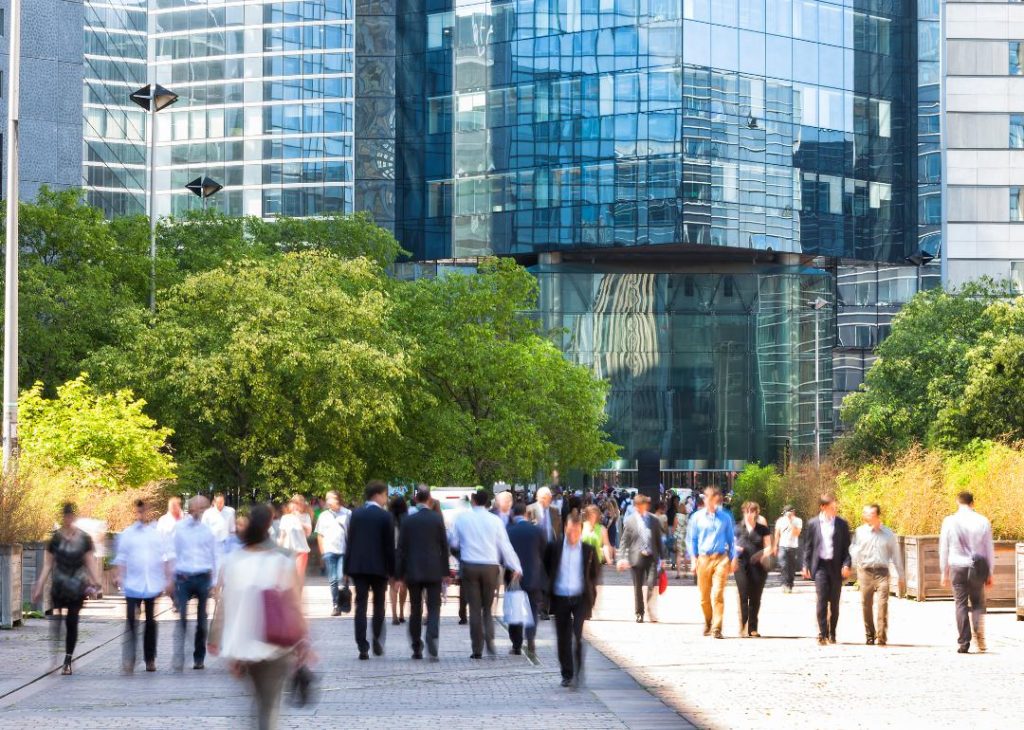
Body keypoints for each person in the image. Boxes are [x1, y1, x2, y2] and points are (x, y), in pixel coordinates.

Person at [209, 504, 310, 730]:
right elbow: (294, 604)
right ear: (270, 526)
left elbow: (224, 604)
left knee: (258, 701)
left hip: (243, 646)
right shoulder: (282, 560)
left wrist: (217, 640)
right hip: (276, 645)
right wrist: (304, 641)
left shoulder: (233, 560)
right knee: (269, 706)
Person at [449, 489, 523, 659]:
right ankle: (490, 642)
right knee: (487, 609)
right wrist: (516, 566)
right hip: (490, 567)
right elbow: (505, 546)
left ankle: (477, 649)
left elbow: (454, 542)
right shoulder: (495, 521)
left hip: (470, 566)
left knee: (474, 609)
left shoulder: (462, 519)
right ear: (487, 502)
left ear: (473, 500)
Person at [31, 503, 101, 676]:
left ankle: (67, 660)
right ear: (63, 517)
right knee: (56, 622)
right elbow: (48, 564)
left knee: (72, 622)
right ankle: (54, 657)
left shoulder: (84, 538)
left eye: (71, 516)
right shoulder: (55, 539)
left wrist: (96, 582)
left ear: (74, 517)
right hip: (59, 586)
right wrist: (39, 585)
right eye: (66, 515)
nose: (68, 518)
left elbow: (89, 561)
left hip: (77, 587)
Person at [114, 499, 172, 672]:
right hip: (132, 583)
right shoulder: (128, 534)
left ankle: (150, 658)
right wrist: (119, 575)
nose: (141, 515)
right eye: (138, 512)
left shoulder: (154, 534)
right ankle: (130, 658)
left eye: (143, 512)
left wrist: (168, 579)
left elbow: (164, 557)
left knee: (150, 622)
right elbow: (122, 557)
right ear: (135, 512)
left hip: (151, 583)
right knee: (131, 622)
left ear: (147, 512)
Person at [545, 511, 600, 688]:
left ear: (581, 531)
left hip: (580, 598)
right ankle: (567, 674)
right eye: (570, 531)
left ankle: (578, 670)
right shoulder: (554, 547)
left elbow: (594, 574)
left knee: (577, 635)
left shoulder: (588, 550)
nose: (573, 535)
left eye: (576, 531)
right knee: (563, 638)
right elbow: (546, 568)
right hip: (560, 597)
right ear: (565, 529)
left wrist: (592, 595)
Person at [396, 487, 449, 660]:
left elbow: (401, 549)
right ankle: (432, 634)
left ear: (416, 499)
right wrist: (445, 572)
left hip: (413, 571)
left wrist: (399, 575)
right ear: (429, 499)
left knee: (415, 609)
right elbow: (444, 546)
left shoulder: (408, 521)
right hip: (434, 570)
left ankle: (416, 647)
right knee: (434, 607)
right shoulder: (436, 519)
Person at [939, 491, 995, 654]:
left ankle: (964, 642)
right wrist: (990, 571)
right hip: (977, 567)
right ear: (973, 503)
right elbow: (988, 549)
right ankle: (979, 634)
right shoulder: (982, 521)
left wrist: (944, 571)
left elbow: (944, 547)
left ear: (958, 502)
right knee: (977, 602)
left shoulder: (949, 521)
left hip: (957, 566)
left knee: (960, 603)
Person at [345, 480, 395, 660]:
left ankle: (362, 646)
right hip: (379, 568)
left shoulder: (355, 514)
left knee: (361, 607)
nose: (386, 499)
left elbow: (349, 542)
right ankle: (376, 640)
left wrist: (346, 567)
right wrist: (393, 570)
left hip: (358, 567)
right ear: (378, 494)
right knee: (379, 606)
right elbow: (389, 547)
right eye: (385, 495)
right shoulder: (385, 517)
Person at [170, 495, 219, 670]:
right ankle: (179, 654)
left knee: (202, 619)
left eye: (204, 508)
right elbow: (172, 553)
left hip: (203, 577)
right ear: (191, 509)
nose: (201, 511)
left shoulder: (207, 530)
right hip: (184, 577)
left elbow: (215, 556)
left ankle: (199, 657)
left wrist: (214, 582)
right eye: (199, 508)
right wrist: (172, 577)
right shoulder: (180, 529)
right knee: (182, 616)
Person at [851, 503, 905, 646]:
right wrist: (849, 567)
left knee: (882, 604)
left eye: (868, 513)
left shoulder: (888, 533)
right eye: (865, 513)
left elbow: (896, 554)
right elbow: (854, 550)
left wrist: (901, 575)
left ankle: (881, 636)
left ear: (876, 515)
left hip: (882, 572)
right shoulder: (860, 532)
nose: (865, 515)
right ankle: (869, 634)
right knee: (866, 604)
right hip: (865, 572)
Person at [801, 493, 852, 645]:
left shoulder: (842, 524)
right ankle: (822, 633)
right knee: (822, 600)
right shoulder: (813, 524)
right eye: (831, 508)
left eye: (835, 507)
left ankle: (832, 633)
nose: (834, 510)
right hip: (821, 566)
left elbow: (847, 549)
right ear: (823, 507)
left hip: (836, 567)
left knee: (834, 602)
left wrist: (847, 564)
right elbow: (808, 547)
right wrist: (805, 565)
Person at [687, 487, 736, 638]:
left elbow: (731, 539)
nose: (711, 501)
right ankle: (708, 621)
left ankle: (717, 627)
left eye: (714, 498)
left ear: (717, 499)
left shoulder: (725, 518)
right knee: (704, 597)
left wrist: (733, 559)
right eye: (707, 498)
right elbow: (691, 540)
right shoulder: (696, 517)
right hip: (703, 559)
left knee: (718, 594)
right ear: (705, 499)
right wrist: (693, 559)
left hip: (720, 558)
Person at [616, 494, 664, 623]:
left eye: (645, 505)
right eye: (641, 505)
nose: (644, 508)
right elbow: (624, 541)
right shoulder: (630, 521)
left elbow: (658, 540)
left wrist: (663, 558)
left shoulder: (654, 520)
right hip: (636, 558)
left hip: (651, 557)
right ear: (636, 506)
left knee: (651, 584)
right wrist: (621, 557)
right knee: (637, 587)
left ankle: (649, 605)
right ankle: (639, 612)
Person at [507, 501, 547, 655]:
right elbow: (545, 551)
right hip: (533, 575)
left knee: (515, 610)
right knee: (532, 609)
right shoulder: (536, 530)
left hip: (514, 576)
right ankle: (530, 637)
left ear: (513, 514)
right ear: (525, 513)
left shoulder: (509, 531)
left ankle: (516, 645)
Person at [733, 502, 771, 638]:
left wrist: (761, 554)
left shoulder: (763, 529)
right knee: (743, 595)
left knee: (755, 597)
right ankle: (742, 625)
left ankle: (753, 628)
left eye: (752, 511)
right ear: (743, 512)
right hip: (741, 565)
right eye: (746, 511)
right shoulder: (737, 528)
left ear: (756, 513)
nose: (749, 514)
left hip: (759, 567)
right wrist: (736, 549)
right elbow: (730, 545)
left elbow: (769, 547)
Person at [314, 490, 350, 616]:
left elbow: (352, 533)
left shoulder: (347, 513)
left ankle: (344, 595)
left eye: (330, 498)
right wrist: (323, 552)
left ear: (337, 499)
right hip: (329, 551)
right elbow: (320, 535)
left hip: (344, 551)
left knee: (341, 577)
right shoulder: (323, 516)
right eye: (327, 498)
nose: (328, 500)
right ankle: (336, 605)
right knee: (333, 579)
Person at [277, 495, 312, 584]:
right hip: (288, 552)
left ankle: (298, 596)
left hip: (301, 551)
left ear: (302, 505)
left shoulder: (306, 516)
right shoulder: (285, 518)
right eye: (294, 503)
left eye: (299, 504)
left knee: (299, 576)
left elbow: (308, 533)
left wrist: (299, 519)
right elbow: (282, 536)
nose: (296, 506)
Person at [388, 495, 409, 625]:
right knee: (404, 586)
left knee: (392, 586)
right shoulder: (407, 519)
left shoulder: (387, 519)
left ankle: (394, 615)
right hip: (405, 555)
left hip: (391, 555)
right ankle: (401, 612)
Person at [774, 506, 802, 593]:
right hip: (782, 546)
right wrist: (775, 545)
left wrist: (791, 522)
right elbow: (777, 533)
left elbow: (797, 533)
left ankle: (790, 584)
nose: (788, 514)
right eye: (786, 513)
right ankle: (784, 584)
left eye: (790, 512)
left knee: (791, 567)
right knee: (783, 565)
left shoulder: (798, 521)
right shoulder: (780, 521)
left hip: (793, 546)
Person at [672, 506, 688, 579]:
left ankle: (678, 573)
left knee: (678, 555)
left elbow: (674, 527)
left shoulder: (677, 516)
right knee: (685, 555)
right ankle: (685, 573)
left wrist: (673, 535)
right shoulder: (687, 517)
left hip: (678, 537)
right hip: (685, 537)